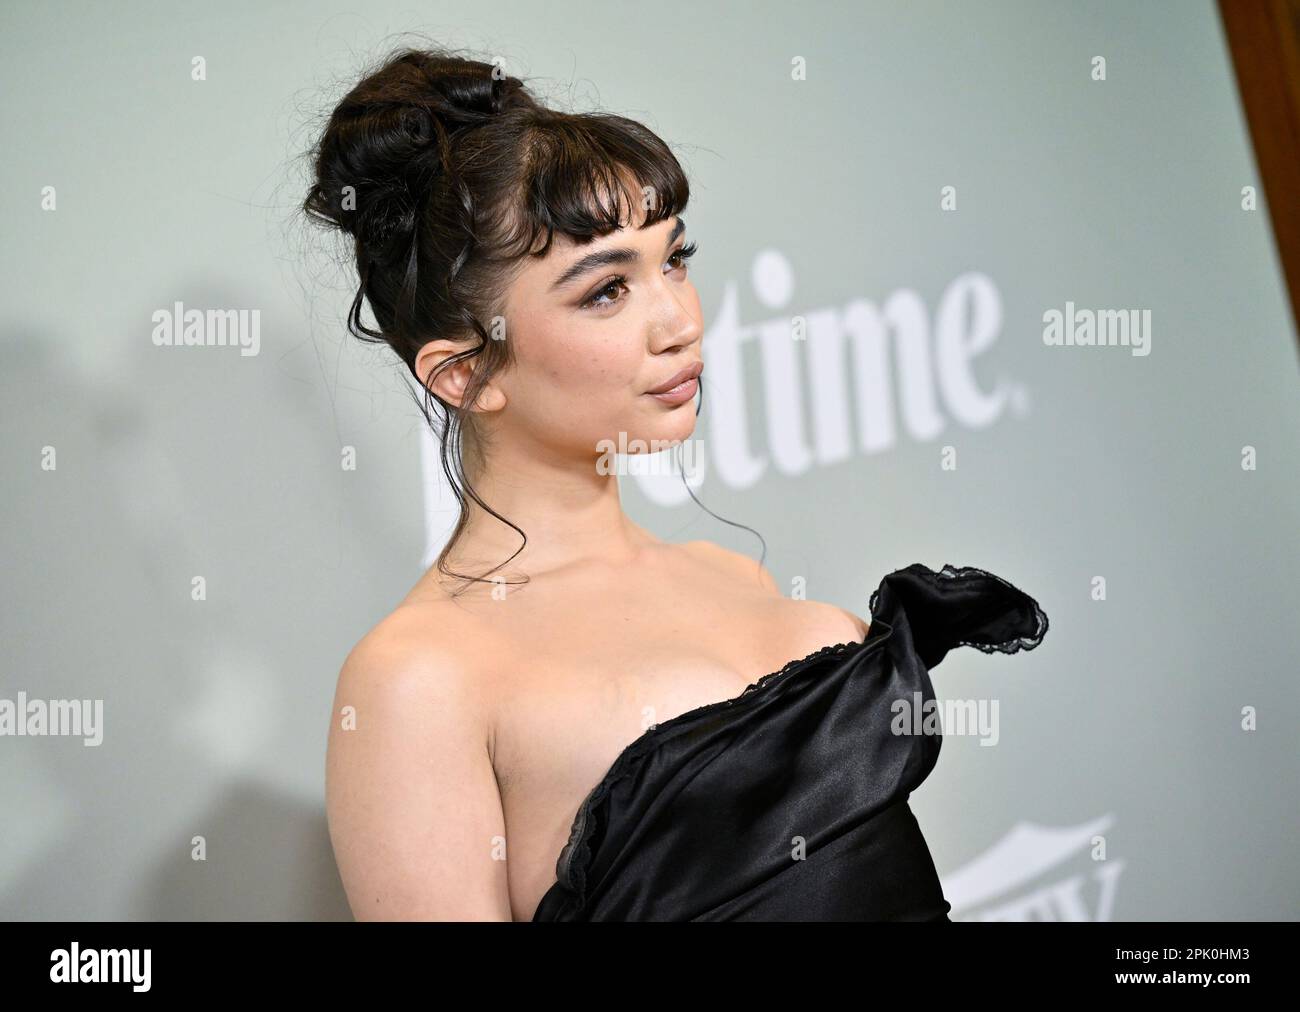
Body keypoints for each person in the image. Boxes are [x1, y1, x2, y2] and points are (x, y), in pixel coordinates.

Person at [304, 45, 1048, 922]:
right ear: (463, 372)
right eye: (607, 290)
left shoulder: (733, 576)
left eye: (675, 259)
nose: (680, 321)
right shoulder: (415, 680)